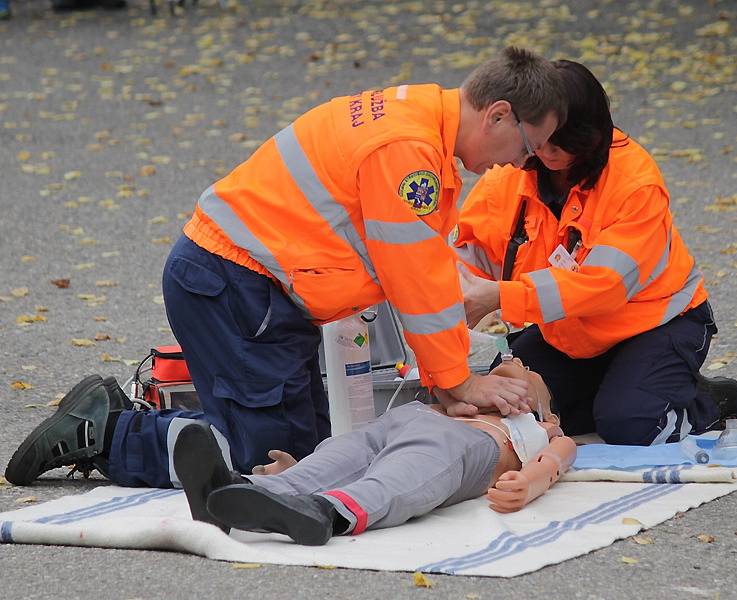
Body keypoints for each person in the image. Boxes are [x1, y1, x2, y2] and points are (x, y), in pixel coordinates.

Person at [5, 47, 567, 488]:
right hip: (233, 286)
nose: (520, 162)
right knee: (259, 465)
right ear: (497, 115)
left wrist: (450, 379)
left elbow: (417, 267)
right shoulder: (407, 149)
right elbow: (416, 280)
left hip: (251, 291)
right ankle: (106, 431)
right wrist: (456, 379)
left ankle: (122, 423)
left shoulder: (419, 120)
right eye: (527, 145)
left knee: (308, 459)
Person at [452, 60, 737, 446]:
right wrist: (452, 298)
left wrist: (496, 297)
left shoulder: (634, 183)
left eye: (563, 143)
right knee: (509, 406)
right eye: (542, 141)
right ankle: (622, 390)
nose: (548, 153)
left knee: (632, 426)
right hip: (570, 333)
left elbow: (602, 288)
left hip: (653, 324)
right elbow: (465, 252)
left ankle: (710, 399)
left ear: (594, 135)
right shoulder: (514, 169)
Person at [173, 358, 576, 545]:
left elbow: (559, 458)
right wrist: (297, 467)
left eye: (529, 372)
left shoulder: (542, 429)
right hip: (400, 421)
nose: (516, 362)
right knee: (341, 453)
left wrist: (529, 481)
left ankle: (326, 511)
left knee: (399, 479)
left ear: (548, 410)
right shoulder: (461, 398)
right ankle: (231, 491)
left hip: (460, 446)